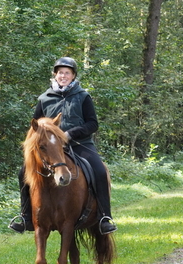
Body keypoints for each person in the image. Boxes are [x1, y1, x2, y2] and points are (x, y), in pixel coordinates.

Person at [9, 56, 117, 235]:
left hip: (80, 144)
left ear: (73, 76)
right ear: (55, 75)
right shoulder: (44, 98)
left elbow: (93, 124)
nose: (63, 76)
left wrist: (69, 134)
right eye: (60, 73)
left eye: (67, 73)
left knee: (98, 170)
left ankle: (104, 217)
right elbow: (35, 125)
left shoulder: (83, 96)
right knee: (23, 172)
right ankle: (25, 216)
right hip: (51, 148)